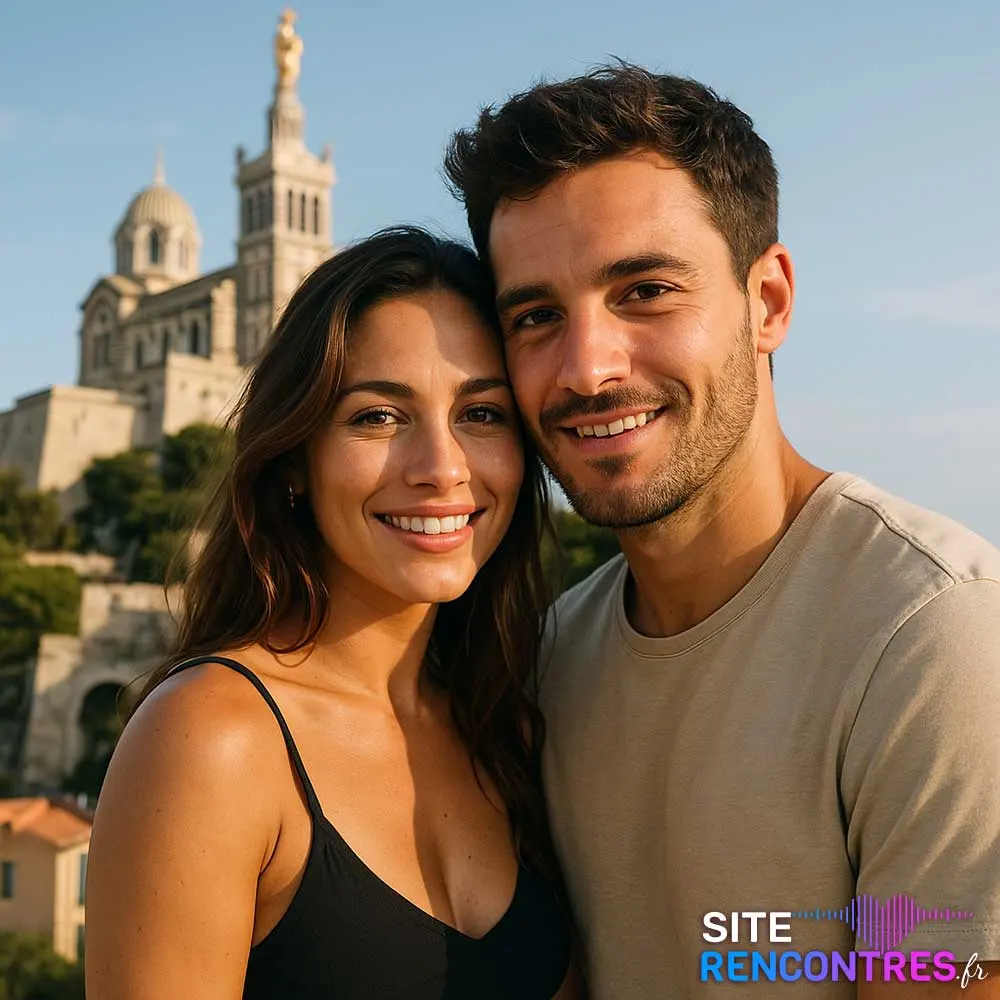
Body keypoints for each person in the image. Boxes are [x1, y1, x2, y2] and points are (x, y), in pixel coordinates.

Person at [445, 66, 1000, 998]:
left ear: (768, 302)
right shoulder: (549, 661)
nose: (586, 369)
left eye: (646, 290)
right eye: (537, 316)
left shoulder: (930, 641)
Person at [85, 227, 581, 1000]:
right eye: (378, 417)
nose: (441, 468)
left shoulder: (507, 723)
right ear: (293, 460)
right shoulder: (211, 741)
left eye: (482, 414)